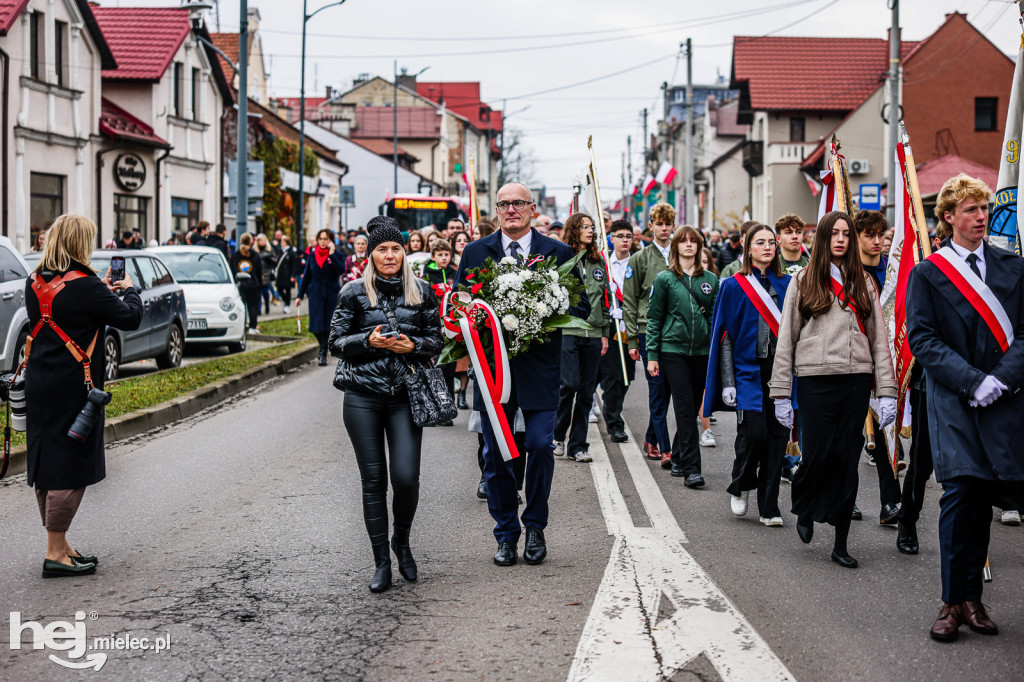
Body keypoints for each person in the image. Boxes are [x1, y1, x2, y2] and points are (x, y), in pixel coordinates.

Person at [906, 173, 1024, 642]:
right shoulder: (928, 273)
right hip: (954, 399)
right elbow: (922, 339)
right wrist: (973, 381)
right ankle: (952, 602)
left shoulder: (1013, 267)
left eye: (984, 208)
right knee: (960, 493)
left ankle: (972, 598)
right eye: (971, 209)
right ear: (949, 216)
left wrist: (1001, 379)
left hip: (1004, 399)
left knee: (984, 495)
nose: (981, 217)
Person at [455, 182, 590, 567]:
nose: (511, 209)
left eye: (518, 203)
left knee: (540, 445)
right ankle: (505, 534)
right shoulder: (475, 252)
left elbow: (580, 306)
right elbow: (459, 305)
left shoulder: (558, 252)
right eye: (504, 204)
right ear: (497, 210)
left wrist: (545, 307)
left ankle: (535, 526)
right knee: (496, 454)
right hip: (492, 372)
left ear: (532, 209)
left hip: (540, 369)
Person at [770, 210, 897, 569]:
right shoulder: (804, 280)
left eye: (846, 233)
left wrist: (886, 390)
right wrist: (781, 392)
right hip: (815, 381)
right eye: (834, 233)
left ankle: (841, 543)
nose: (840, 239)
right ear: (823, 238)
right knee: (816, 456)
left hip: (855, 381)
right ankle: (805, 506)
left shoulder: (864, 281)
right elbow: (786, 339)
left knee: (846, 462)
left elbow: (879, 341)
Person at [25, 214, 143, 578]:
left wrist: (100, 292)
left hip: (39, 383)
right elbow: (130, 318)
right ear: (80, 243)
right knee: (70, 465)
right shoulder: (87, 285)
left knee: (47, 462)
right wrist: (129, 289)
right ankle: (54, 552)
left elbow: (67, 313)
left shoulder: (35, 281)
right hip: (75, 387)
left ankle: (60, 545)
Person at [328, 215, 442, 593]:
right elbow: (335, 343)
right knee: (373, 481)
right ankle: (381, 562)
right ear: (371, 254)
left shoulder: (422, 291)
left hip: (405, 396)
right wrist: (368, 342)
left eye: (395, 248)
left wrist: (415, 345)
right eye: (382, 249)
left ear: (404, 252)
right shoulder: (352, 292)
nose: (389, 255)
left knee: (406, 478)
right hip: (362, 397)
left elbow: (437, 340)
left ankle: (401, 542)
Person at [704, 224, 793, 525]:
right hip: (747, 371)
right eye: (760, 242)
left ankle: (769, 506)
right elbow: (724, 336)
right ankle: (740, 483)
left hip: (780, 371)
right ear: (748, 248)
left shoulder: (788, 284)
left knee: (778, 438)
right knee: (754, 434)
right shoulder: (732, 285)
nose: (767, 247)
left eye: (771, 242)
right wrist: (728, 381)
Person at [644, 226, 719, 485]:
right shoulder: (664, 279)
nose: (688, 245)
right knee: (685, 410)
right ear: (675, 246)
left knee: (693, 407)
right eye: (683, 241)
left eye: (693, 241)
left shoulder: (711, 280)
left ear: (699, 246)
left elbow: (715, 318)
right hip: (673, 351)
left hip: (702, 352)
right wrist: (652, 355)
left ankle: (677, 456)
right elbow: (654, 318)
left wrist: (715, 351)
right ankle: (691, 469)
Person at [854, 209, 901, 525]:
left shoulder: (892, 272)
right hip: (855, 364)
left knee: (886, 437)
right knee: (850, 439)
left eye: (880, 235)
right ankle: (846, 500)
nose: (876, 241)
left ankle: (890, 503)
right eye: (869, 235)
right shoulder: (848, 273)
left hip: (886, 363)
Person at [553, 213, 610, 463]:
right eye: (585, 226)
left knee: (587, 392)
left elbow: (604, 299)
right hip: (569, 331)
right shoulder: (563, 259)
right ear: (574, 229)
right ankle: (557, 436)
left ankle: (578, 445)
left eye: (592, 227)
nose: (590, 230)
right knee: (569, 385)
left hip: (594, 333)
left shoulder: (598, 261)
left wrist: (605, 333)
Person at [623, 202, 675, 462]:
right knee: (656, 387)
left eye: (668, 224)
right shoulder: (639, 258)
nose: (664, 229)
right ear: (650, 227)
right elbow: (630, 301)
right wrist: (632, 339)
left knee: (668, 389)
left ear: (673, 226)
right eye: (659, 224)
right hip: (648, 331)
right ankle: (665, 448)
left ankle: (651, 437)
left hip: (676, 331)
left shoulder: (680, 254)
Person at [600, 220, 638, 443]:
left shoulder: (637, 262)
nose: (625, 240)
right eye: (620, 236)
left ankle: (612, 407)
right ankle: (615, 423)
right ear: (611, 239)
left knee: (626, 376)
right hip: (610, 325)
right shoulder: (603, 262)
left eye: (628, 236)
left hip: (630, 325)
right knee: (613, 374)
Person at [296, 229, 346, 366]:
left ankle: (322, 352)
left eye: (326, 239)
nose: (323, 241)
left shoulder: (337, 255)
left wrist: (332, 254)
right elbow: (307, 276)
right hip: (316, 292)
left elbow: (340, 270)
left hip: (331, 291)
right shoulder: (312, 255)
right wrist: (299, 296)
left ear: (330, 241)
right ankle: (324, 346)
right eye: (321, 239)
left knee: (329, 323)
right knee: (316, 325)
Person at [230, 233, 263, 334]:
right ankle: (253, 327)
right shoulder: (255, 255)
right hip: (253, 285)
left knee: (241, 307)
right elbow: (259, 271)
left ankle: (242, 326)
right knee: (253, 307)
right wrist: (259, 283)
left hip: (240, 285)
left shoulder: (236, 255)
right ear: (251, 242)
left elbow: (232, 269)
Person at [254, 233, 279, 314]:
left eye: (264, 240)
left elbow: (275, 260)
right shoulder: (255, 250)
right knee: (258, 293)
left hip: (267, 273)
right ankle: (259, 309)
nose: (263, 242)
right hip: (257, 274)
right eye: (261, 240)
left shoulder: (269, 250)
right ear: (258, 241)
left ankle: (267, 305)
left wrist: (270, 259)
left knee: (265, 292)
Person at [275, 235, 299, 314]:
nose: (281, 243)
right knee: (279, 289)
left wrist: (293, 275)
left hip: (288, 275)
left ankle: (287, 305)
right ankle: (286, 302)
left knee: (287, 290)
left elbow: (294, 265)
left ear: (287, 242)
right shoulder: (280, 251)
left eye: (283, 242)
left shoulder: (291, 252)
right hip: (280, 274)